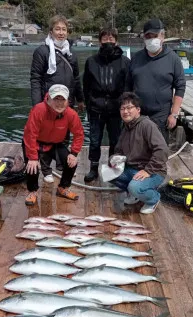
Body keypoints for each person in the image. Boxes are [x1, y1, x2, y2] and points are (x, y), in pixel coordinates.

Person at [30, 15, 84, 183]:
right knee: (44, 137)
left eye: (64, 29)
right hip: (48, 103)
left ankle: (62, 165)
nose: (61, 33)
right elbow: (36, 78)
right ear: (51, 31)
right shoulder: (42, 52)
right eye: (57, 29)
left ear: (68, 32)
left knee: (64, 136)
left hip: (67, 102)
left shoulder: (71, 54)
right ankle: (46, 169)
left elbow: (76, 79)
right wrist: (37, 103)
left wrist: (80, 99)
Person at [126, 18, 186, 145]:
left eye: (155, 35)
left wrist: (174, 114)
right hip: (138, 113)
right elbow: (128, 86)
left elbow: (180, 87)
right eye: (148, 36)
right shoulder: (136, 58)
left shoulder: (173, 59)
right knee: (137, 147)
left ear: (162, 36)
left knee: (159, 149)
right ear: (143, 38)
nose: (151, 39)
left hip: (161, 114)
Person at [22, 84, 84, 205]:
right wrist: (33, 158)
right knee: (32, 167)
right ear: (48, 99)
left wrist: (74, 153)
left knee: (71, 163)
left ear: (68, 101)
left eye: (63, 100)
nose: (59, 103)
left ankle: (63, 188)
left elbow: (79, 134)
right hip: (35, 142)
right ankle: (32, 191)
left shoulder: (71, 114)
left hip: (55, 143)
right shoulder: (38, 110)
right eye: (56, 99)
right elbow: (30, 135)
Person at [82, 28, 130, 182]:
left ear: (116, 41)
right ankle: (93, 168)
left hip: (116, 108)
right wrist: (88, 103)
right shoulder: (91, 61)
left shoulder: (125, 62)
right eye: (105, 38)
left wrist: (125, 106)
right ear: (99, 41)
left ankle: (112, 168)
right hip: (96, 107)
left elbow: (128, 86)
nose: (108, 41)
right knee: (95, 140)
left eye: (111, 38)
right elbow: (86, 85)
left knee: (115, 140)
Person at [109, 92, 168, 214]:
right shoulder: (126, 127)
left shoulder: (147, 125)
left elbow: (162, 150)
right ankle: (135, 195)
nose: (125, 111)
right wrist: (114, 159)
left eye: (129, 108)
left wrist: (148, 171)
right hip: (132, 168)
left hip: (154, 171)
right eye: (122, 108)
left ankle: (154, 198)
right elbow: (118, 151)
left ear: (138, 110)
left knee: (135, 187)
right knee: (107, 172)